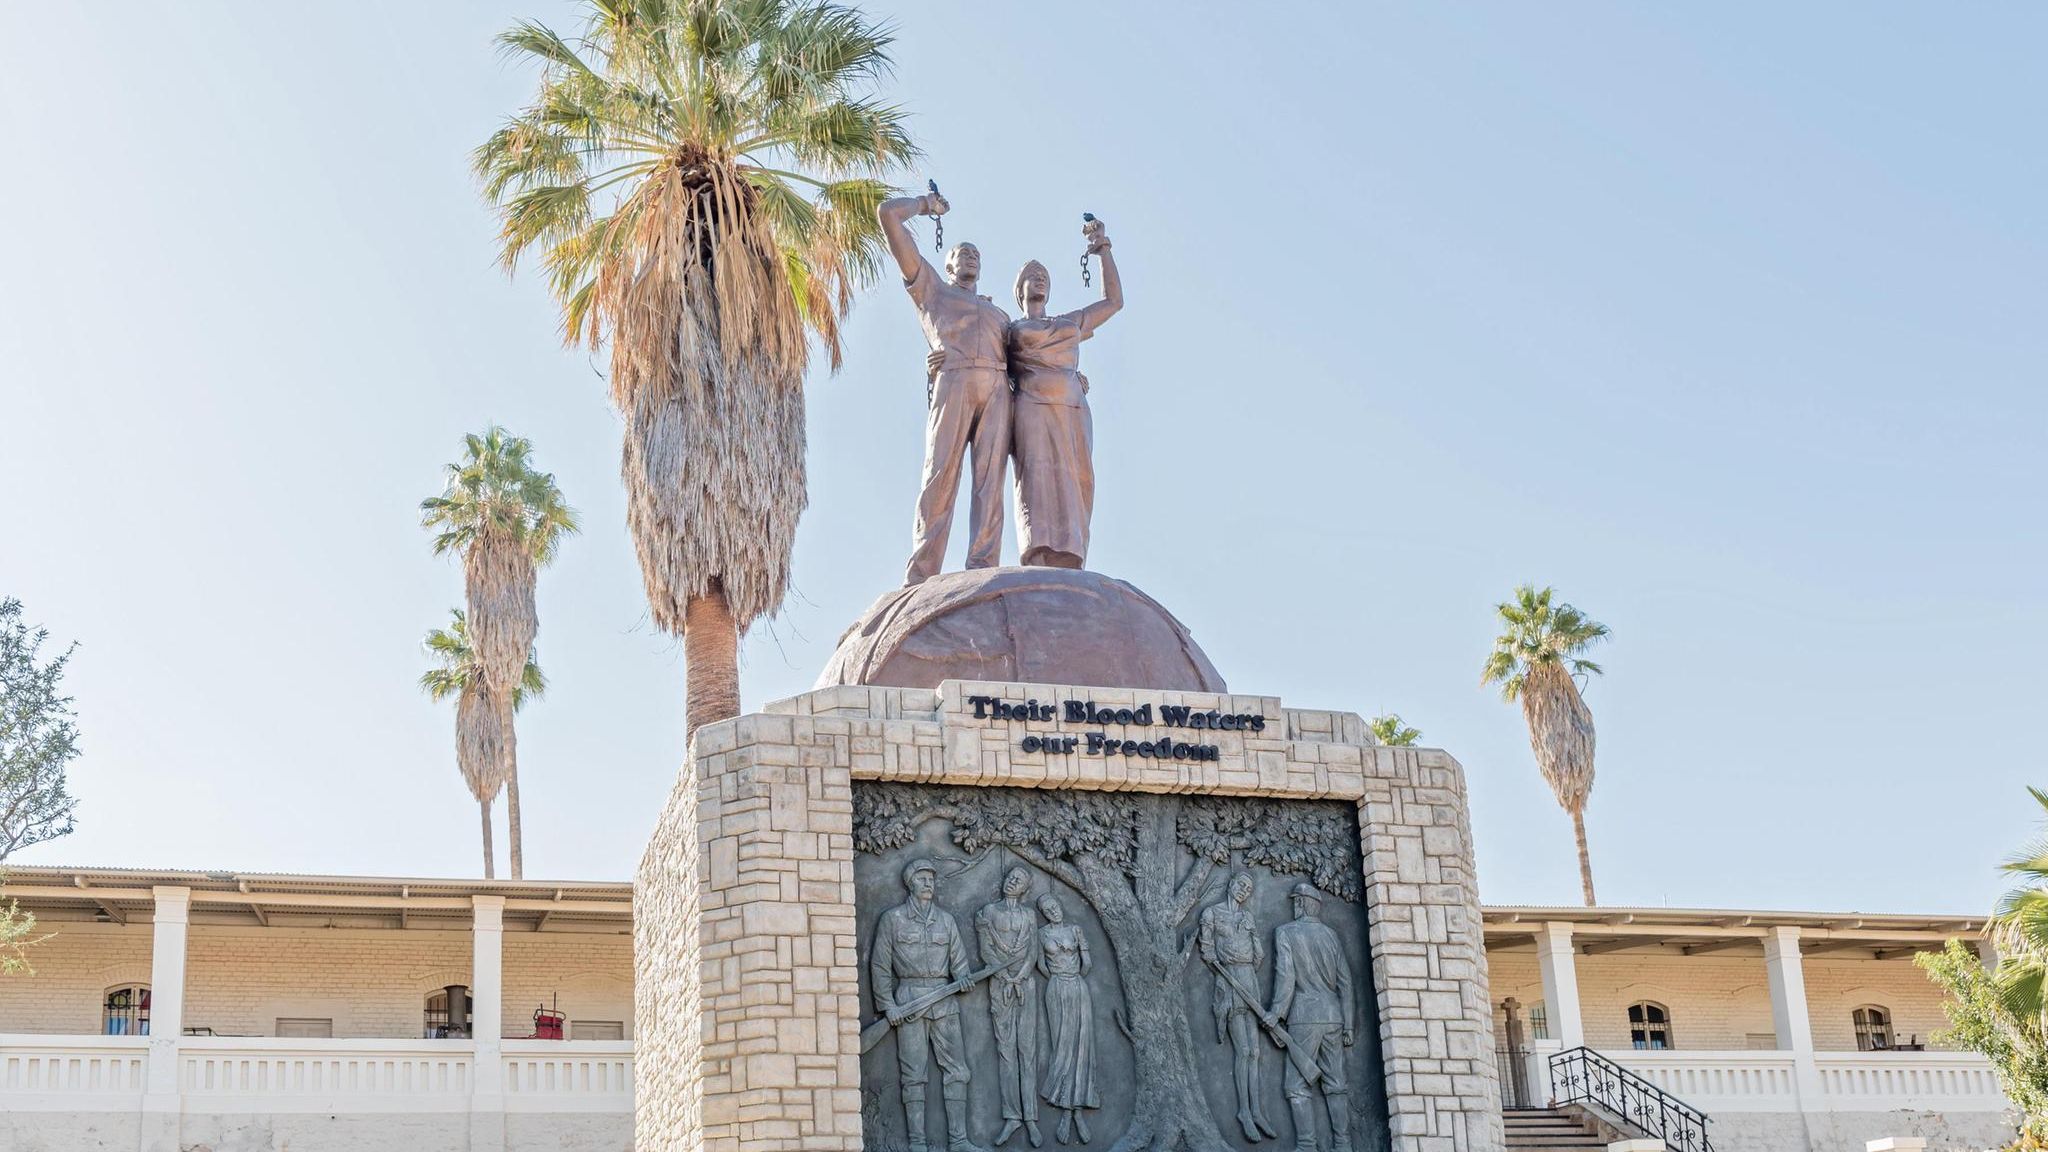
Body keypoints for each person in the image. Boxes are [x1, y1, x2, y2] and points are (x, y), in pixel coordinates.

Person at [878, 189, 1012, 585]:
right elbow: (887, 215)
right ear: (948, 264)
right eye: (962, 252)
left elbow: (1032, 354)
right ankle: (921, 572)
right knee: (939, 474)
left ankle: (983, 568)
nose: (970, 256)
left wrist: (1073, 377)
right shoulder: (932, 290)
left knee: (991, 482)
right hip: (953, 379)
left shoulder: (998, 312)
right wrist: (923, 205)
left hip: (998, 385)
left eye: (976, 254)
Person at [1006, 217, 1122, 569]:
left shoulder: (1067, 324)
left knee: (1076, 479)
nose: (1039, 279)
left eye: (1043, 276)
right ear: (1020, 289)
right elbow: (983, 359)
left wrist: (1103, 249)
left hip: (1071, 407)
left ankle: (1072, 555)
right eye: (1031, 276)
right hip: (1032, 407)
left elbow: (1113, 302)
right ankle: (1037, 552)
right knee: (1036, 478)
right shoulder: (1010, 329)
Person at [871, 858, 989, 1152]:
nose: (929, 884)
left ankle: (959, 1141)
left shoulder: (946, 920)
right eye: (923, 879)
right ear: (910, 882)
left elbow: (959, 963)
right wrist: (888, 1006)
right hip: (910, 1002)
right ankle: (918, 1144)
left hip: (944, 1000)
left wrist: (962, 978)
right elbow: (880, 966)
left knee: (958, 1071)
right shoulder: (893, 919)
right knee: (913, 1075)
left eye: (932, 880)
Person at [1266, 883, 1356, 1152]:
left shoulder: (1286, 933)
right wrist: (1348, 1023)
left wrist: (1276, 1013)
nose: (1294, 905)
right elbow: (1346, 983)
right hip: (1333, 1017)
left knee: (1296, 1085)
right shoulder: (1331, 936)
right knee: (1336, 1084)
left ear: (1305, 903)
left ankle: (1307, 1145)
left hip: (1304, 1018)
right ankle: (1343, 1145)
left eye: (1297, 901)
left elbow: (1286, 977)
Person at [1201, 872, 1277, 1141]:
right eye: (1241, 884)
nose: (1244, 890)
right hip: (1228, 981)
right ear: (1231, 884)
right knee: (1243, 1050)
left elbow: (1259, 954)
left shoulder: (1247, 917)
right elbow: (1207, 950)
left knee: (1255, 1051)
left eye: (1249, 887)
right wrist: (1225, 963)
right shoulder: (1212, 913)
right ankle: (1244, 1111)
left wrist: (1249, 960)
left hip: (1248, 979)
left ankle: (1257, 1110)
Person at [975, 867, 1043, 1147]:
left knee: (1027, 1052)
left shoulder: (1029, 915)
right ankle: (1012, 1116)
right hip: (1000, 985)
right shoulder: (989, 912)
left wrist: (1021, 976)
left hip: (1025, 986)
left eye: (1018, 880)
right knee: (1006, 1053)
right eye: (1010, 877)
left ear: (1025, 888)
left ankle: (1031, 1118)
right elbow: (986, 948)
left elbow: (1033, 950)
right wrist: (1004, 976)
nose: (1011, 881)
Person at [1034, 893, 1098, 1145]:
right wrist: (1059, 979)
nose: (1052, 910)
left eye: (1054, 905)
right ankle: (1064, 1111)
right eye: (1047, 908)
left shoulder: (1075, 929)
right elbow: (1041, 964)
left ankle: (1076, 1113)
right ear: (1043, 912)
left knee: (1082, 1047)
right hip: (1056, 988)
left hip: (1078, 987)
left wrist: (1074, 978)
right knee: (1062, 1046)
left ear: (1060, 905)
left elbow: (1087, 963)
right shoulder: (1041, 934)